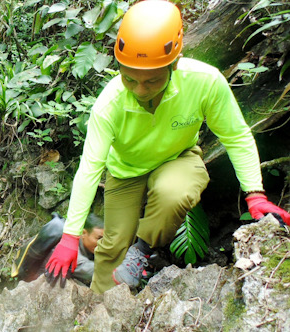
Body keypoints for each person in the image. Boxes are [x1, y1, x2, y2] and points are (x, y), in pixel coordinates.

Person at [44, 0, 290, 294]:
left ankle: (144, 249)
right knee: (113, 244)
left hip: (178, 158)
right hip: (125, 171)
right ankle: (103, 306)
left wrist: (255, 194)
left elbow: (236, 136)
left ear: (174, 63)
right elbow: (89, 169)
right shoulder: (109, 105)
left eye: (152, 81)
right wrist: (70, 237)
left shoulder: (204, 83)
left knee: (173, 192)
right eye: (129, 78)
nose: (139, 90)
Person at [11, 212, 104, 285]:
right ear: (84, 233)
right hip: (37, 284)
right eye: (99, 238)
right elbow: (90, 269)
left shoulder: (80, 241)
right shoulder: (69, 248)